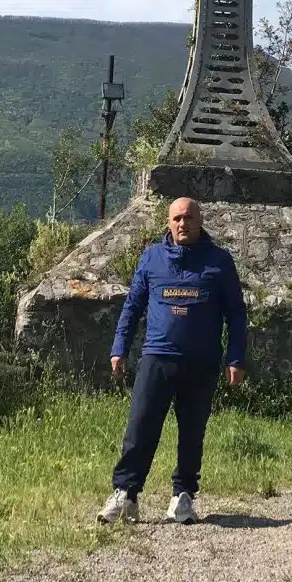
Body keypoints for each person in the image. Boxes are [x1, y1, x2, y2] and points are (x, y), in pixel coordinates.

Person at [97, 196, 247, 526]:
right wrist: (119, 346)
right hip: (157, 358)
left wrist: (235, 358)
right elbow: (132, 307)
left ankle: (183, 497)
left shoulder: (219, 262)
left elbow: (236, 314)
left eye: (189, 217)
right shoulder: (152, 258)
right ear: (168, 222)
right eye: (177, 218)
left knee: (192, 432)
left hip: (201, 363)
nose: (183, 223)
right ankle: (126, 495)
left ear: (200, 221)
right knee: (140, 427)